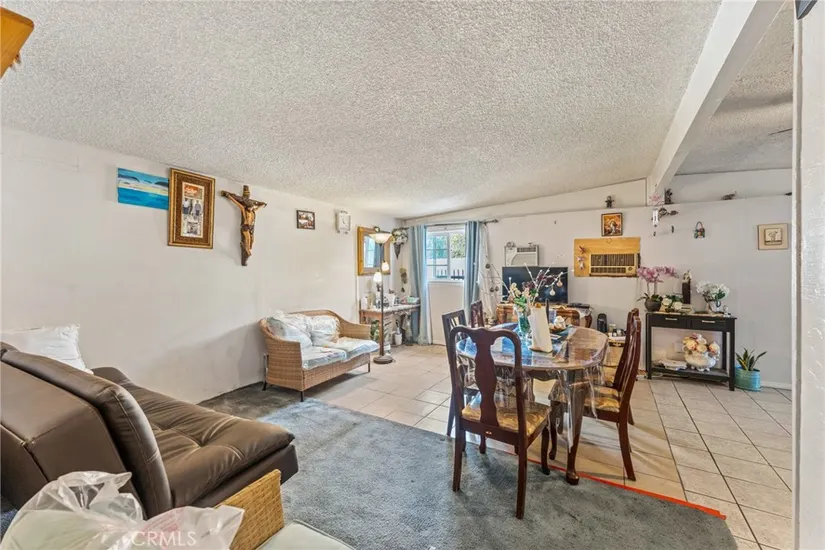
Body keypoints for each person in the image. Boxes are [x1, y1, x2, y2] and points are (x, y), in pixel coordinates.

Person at [221, 185, 267, 266]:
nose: (251, 208)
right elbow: (237, 203)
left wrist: (262, 205)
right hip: (245, 226)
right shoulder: (244, 210)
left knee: (252, 241)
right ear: (248, 207)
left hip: (251, 227)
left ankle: (248, 250)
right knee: (247, 239)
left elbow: (258, 208)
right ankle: (247, 252)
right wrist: (229, 196)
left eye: (252, 207)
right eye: (250, 207)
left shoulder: (253, 211)